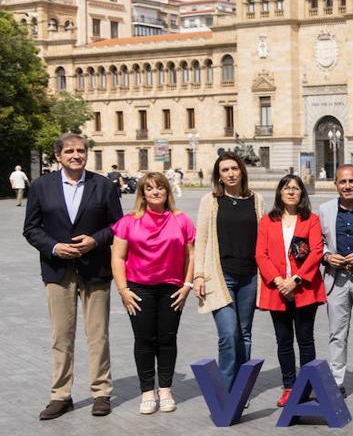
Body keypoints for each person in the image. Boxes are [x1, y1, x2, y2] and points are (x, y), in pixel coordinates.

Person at [23, 134, 123, 419]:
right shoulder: (42, 187)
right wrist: (54, 247)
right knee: (61, 336)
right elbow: (31, 228)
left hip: (95, 269)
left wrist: (95, 240)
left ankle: (101, 392)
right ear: (58, 156)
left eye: (81, 150)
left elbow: (118, 225)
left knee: (98, 334)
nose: (76, 155)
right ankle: (61, 395)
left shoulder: (102, 185)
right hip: (58, 271)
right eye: (69, 151)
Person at [111, 172, 196, 414]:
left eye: (160, 187)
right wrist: (123, 290)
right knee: (145, 340)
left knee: (167, 340)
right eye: (149, 188)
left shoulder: (181, 220)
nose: (155, 192)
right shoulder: (129, 221)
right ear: (142, 193)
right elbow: (117, 257)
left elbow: (191, 254)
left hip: (172, 288)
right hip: (138, 289)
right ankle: (147, 391)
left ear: (167, 191)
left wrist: (187, 285)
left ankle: (166, 389)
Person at [194, 152, 263, 391]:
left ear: (242, 171)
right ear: (219, 176)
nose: (231, 173)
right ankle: (225, 390)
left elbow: (264, 240)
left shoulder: (256, 200)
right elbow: (200, 240)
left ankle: (241, 390)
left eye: (234, 168)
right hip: (221, 276)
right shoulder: (210, 201)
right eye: (225, 170)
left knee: (244, 333)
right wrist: (198, 275)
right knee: (228, 334)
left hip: (250, 277)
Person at [256, 175, 326, 406]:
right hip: (277, 290)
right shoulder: (268, 221)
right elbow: (261, 254)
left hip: (304, 288)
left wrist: (294, 280)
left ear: (302, 194)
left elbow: (316, 251)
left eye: (296, 188)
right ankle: (289, 386)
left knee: (305, 339)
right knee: (284, 340)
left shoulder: (311, 220)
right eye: (287, 188)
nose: (291, 192)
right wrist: (279, 281)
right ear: (279, 193)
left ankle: (308, 386)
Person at [318, 164, 353, 399]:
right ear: (336, 185)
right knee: (337, 334)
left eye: (352, 181)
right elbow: (318, 241)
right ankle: (337, 381)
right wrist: (327, 256)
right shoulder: (324, 209)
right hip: (336, 279)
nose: (348, 186)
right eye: (343, 182)